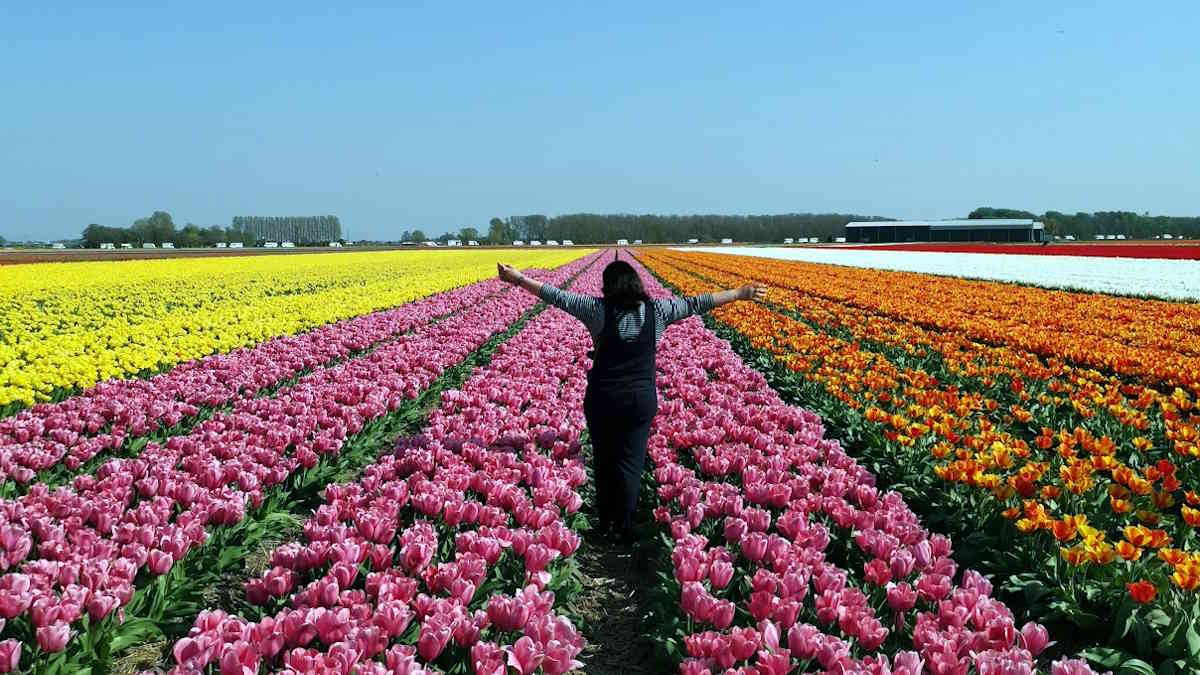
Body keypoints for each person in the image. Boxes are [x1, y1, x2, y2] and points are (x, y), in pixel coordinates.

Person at [497, 257, 766, 543]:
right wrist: (739, 293)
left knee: (604, 459)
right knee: (631, 461)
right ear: (637, 285)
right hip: (639, 399)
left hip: (604, 396)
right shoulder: (659, 311)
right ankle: (624, 525)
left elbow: (558, 296)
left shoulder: (597, 310)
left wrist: (518, 279)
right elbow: (697, 302)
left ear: (608, 287)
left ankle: (605, 523)